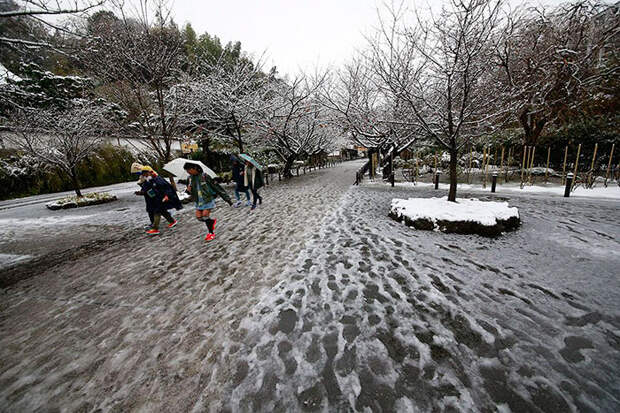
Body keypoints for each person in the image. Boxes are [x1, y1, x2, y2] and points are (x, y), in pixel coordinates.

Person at [184, 162, 233, 242]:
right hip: (198, 200)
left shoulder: (205, 176)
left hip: (207, 199)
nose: (188, 172)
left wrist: (227, 199)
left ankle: (211, 233)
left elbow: (216, 187)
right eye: (187, 170)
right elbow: (189, 191)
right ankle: (211, 222)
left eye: (189, 170)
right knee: (199, 217)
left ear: (194, 168)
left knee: (205, 215)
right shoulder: (189, 179)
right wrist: (188, 190)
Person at [139, 166, 183, 236]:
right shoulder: (148, 180)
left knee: (157, 212)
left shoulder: (158, 179)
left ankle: (155, 229)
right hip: (155, 199)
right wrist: (141, 189)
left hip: (160, 199)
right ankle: (172, 221)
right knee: (162, 211)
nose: (144, 175)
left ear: (150, 172)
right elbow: (147, 189)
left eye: (145, 173)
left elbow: (166, 188)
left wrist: (166, 195)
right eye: (143, 173)